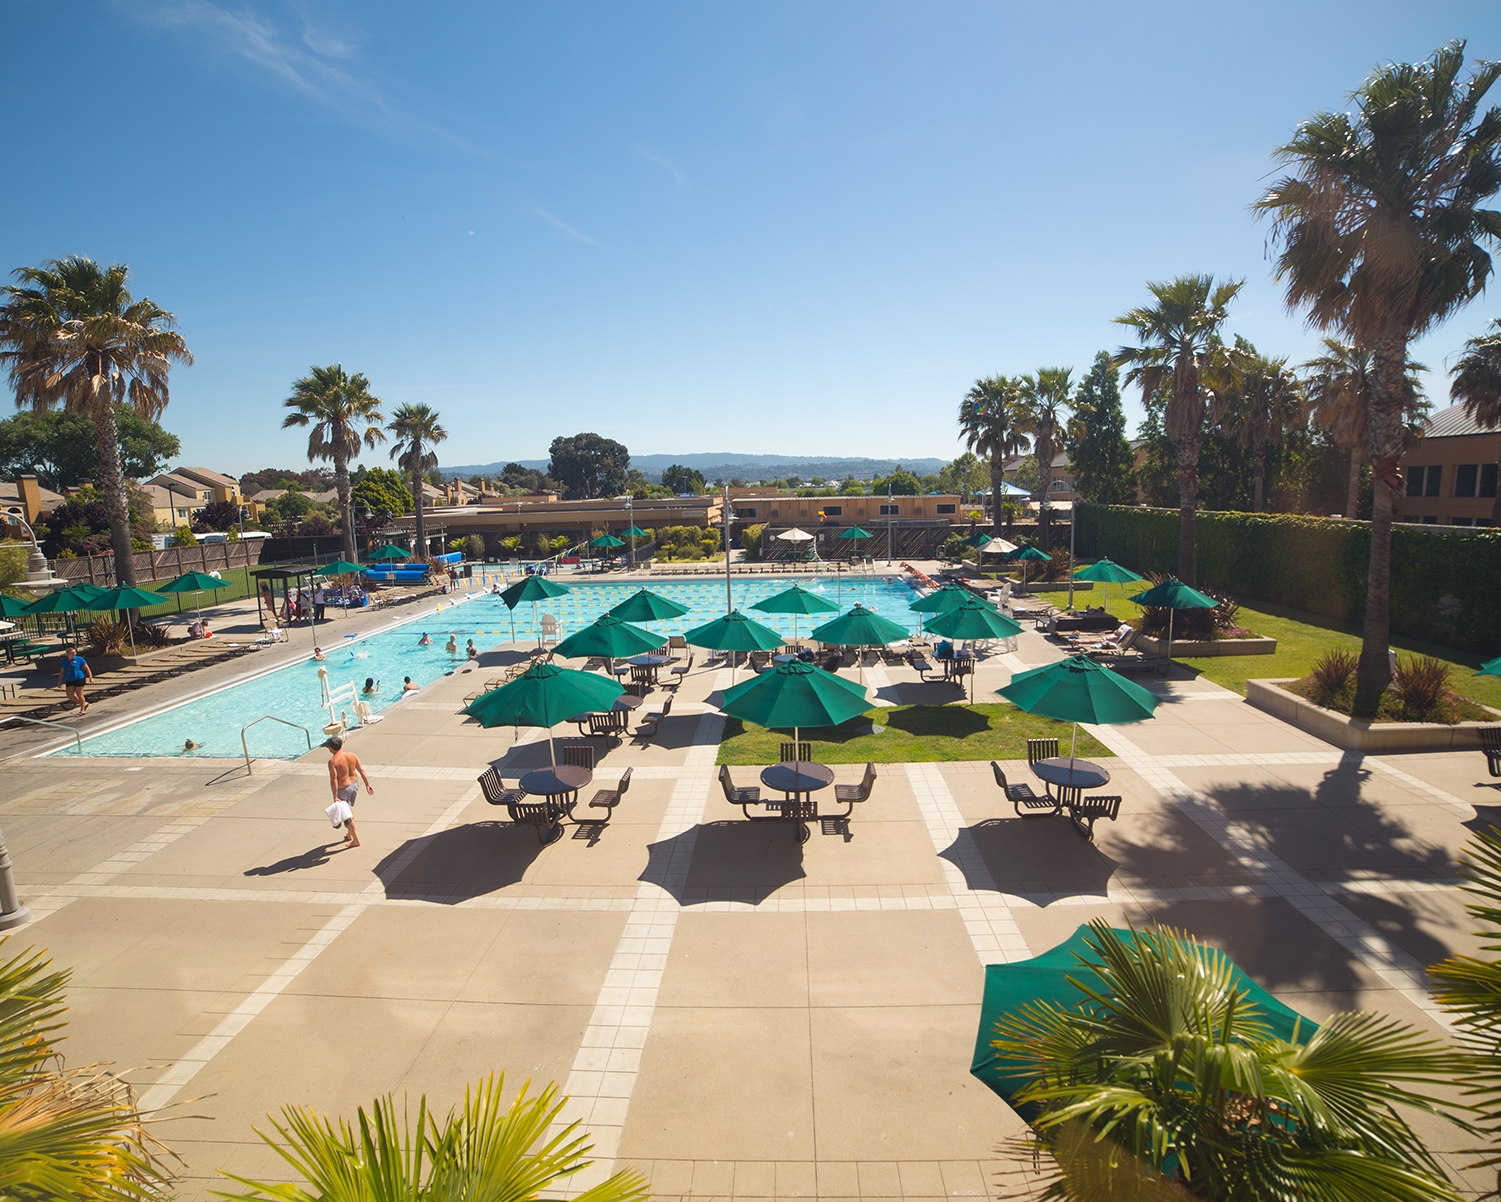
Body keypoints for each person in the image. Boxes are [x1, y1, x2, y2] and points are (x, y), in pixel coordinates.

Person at [324, 735, 372, 848]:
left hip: (343, 788)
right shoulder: (352, 755)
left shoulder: (333, 762)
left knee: (346, 816)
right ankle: (350, 834)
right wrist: (367, 784)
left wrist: (335, 796)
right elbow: (361, 770)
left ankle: (355, 840)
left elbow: (334, 780)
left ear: (331, 748)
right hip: (354, 785)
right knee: (349, 808)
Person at [57, 646, 92, 713]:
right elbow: (62, 672)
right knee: (70, 696)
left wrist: (90, 676)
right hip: (69, 679)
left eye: (75, 652)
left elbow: (86, 668)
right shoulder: (64, 661)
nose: (74, 654)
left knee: (79, 694)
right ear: (67, 654)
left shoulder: (79, 659)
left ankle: (82, 710)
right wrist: (59, 681)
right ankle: (83, 703)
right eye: (72, 653)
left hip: (79, 678)